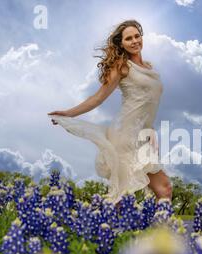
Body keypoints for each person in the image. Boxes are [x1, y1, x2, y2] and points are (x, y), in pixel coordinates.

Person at [47, 19, 172, 205]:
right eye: (128, 38)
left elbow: (148, 105)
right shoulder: (122, 66)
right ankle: (111, 230)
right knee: (130, 192)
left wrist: (151, 132)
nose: (135, 41)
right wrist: (69, 113)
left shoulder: (149, 67)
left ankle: (157, 232)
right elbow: (98, 98)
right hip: (125, 134)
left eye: (137, 36)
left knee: (159, 189)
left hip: (143, 134)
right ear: (121, 43)